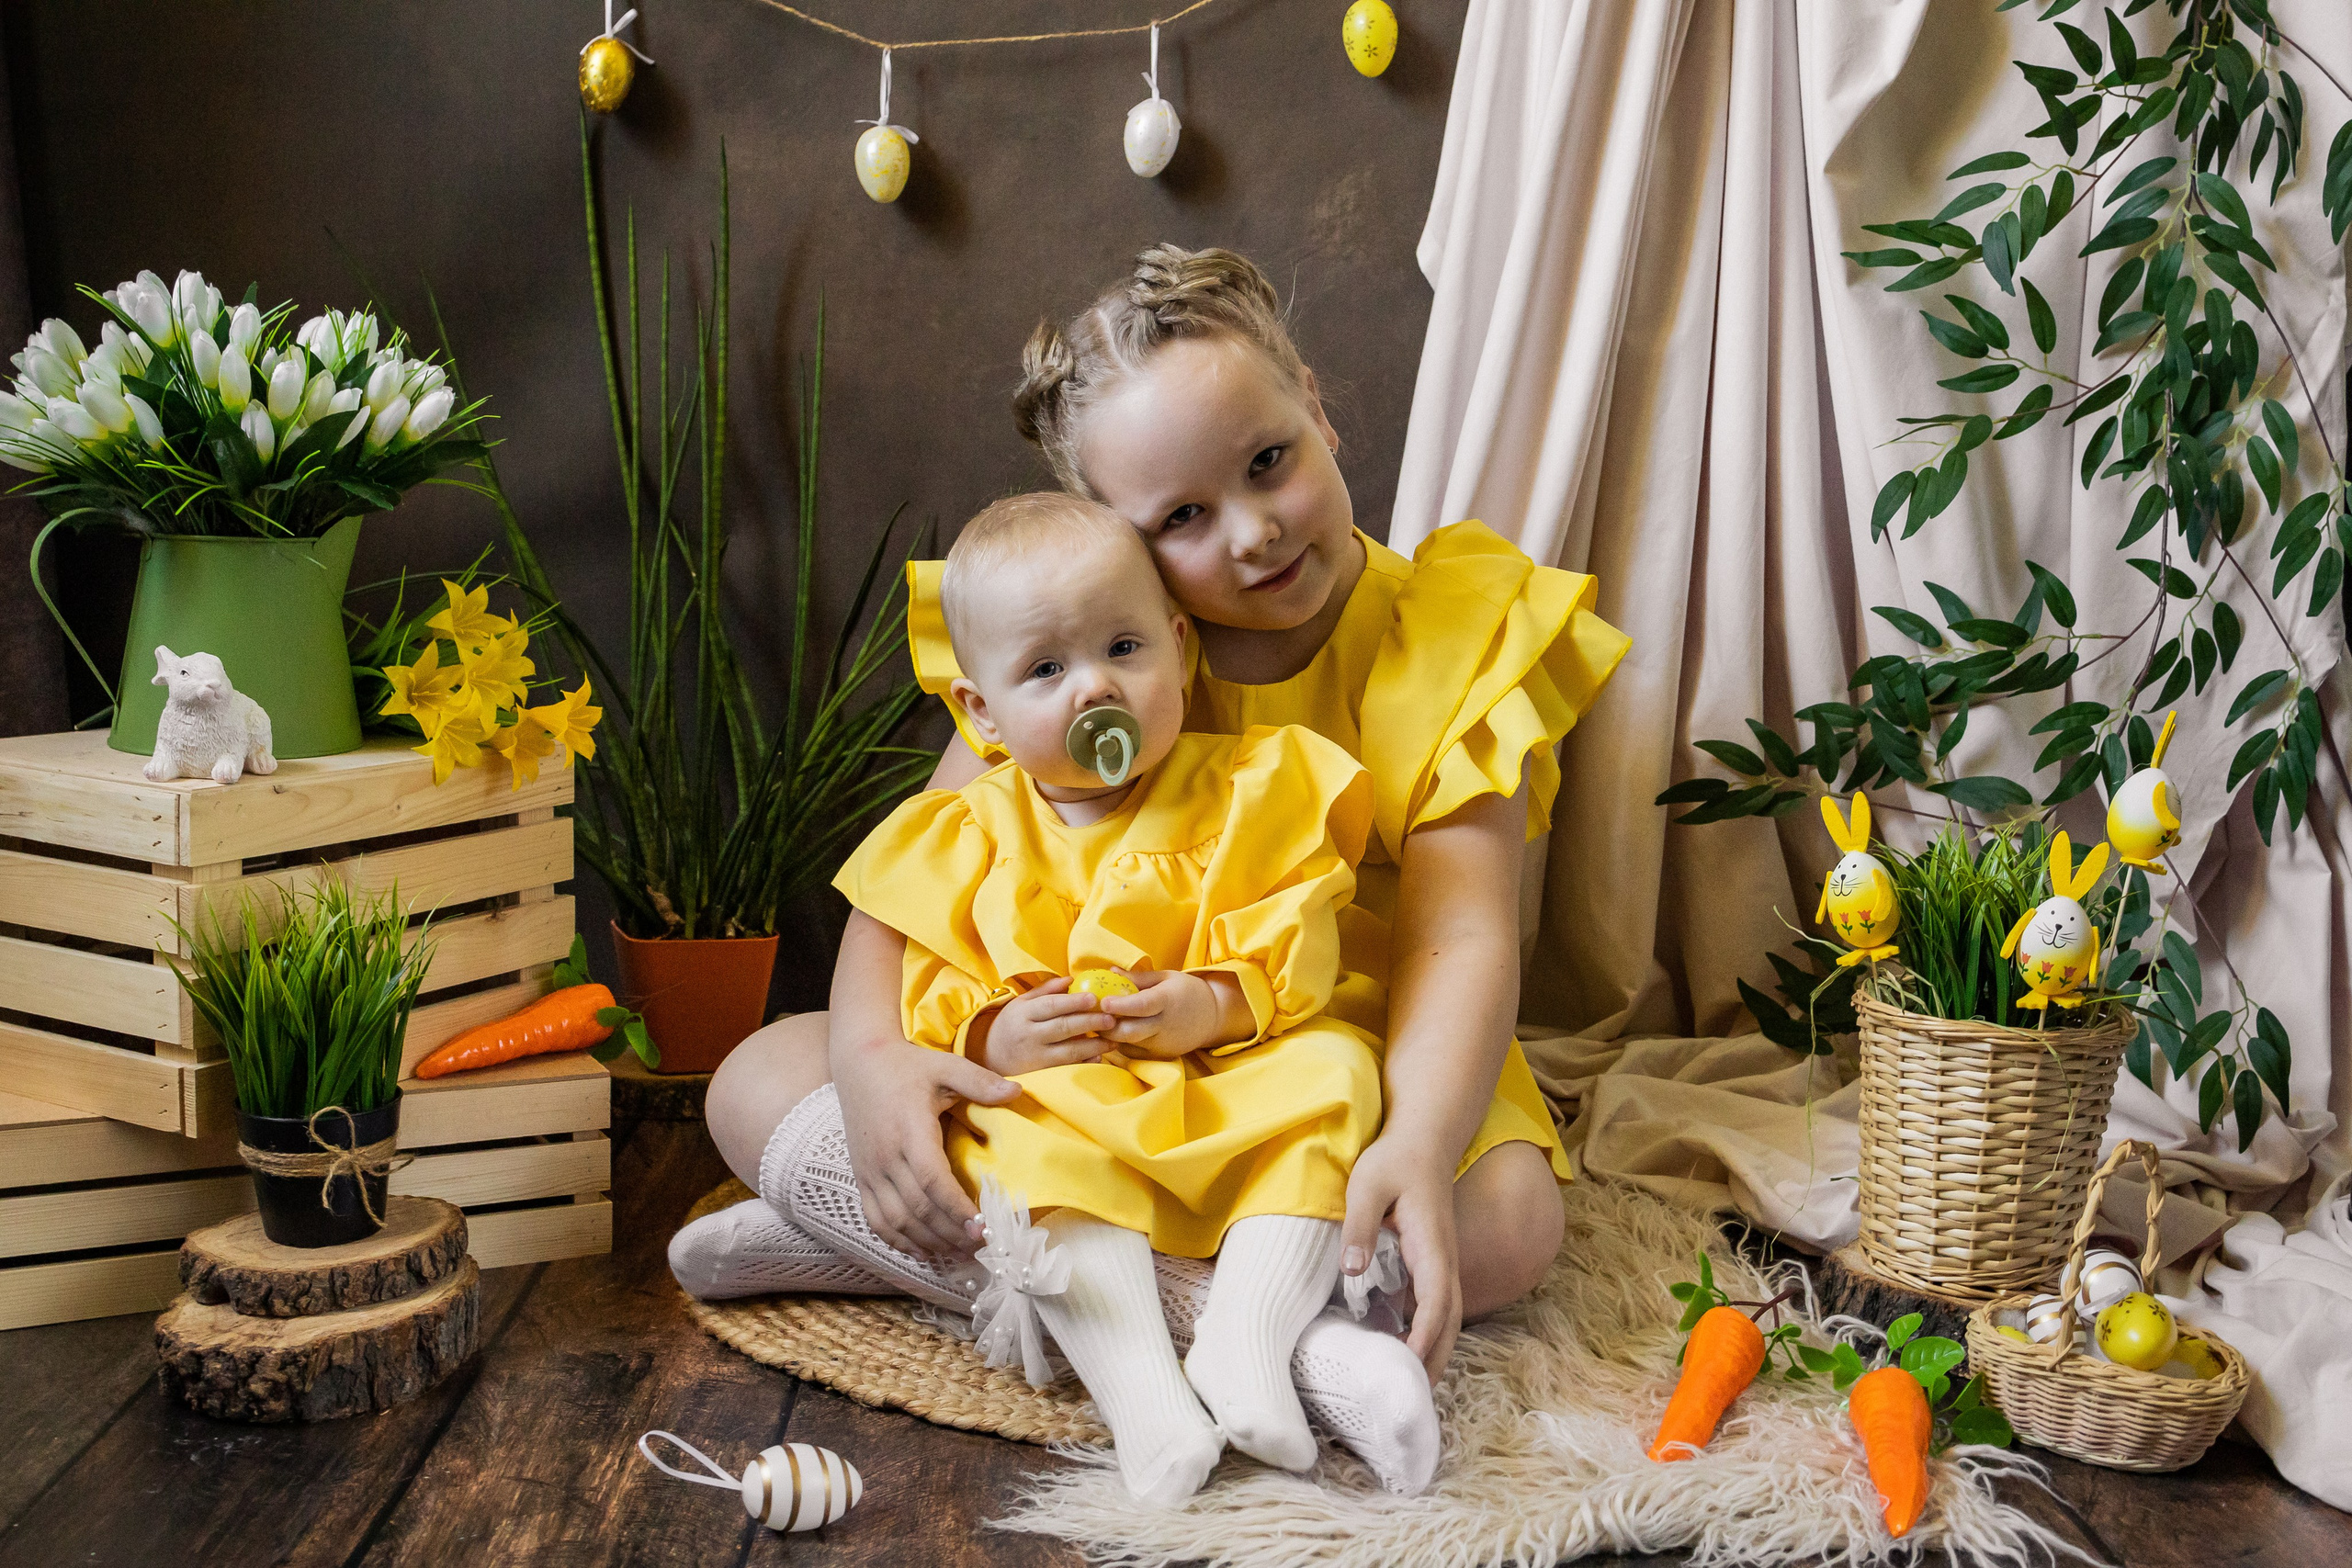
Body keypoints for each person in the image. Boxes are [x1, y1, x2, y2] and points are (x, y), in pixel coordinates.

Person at [673, 243, 1628, 1489]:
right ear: (1112, 538)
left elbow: (1462, 939)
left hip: (1340, 1060)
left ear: (1317, 406)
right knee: (757, 1078)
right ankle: (1268, 1341)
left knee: (1508, 1227)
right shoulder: (1085, 645)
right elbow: (915, 871)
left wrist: (1416, 1143)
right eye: (1180, 517)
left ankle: (883, 1246)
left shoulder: (1450, 631)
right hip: (1096, 1064)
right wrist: (870, 1066)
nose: (1252, 530)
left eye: (1269, 460)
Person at [815, 491, 1412, 1504]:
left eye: (1124, 647)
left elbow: (1296, 938)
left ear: (1180, 651)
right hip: (1071, 1097)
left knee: (1338, 1071)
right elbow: (929, 987)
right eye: (1046, 670)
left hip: (1227, 1075)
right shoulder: (962, 833)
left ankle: (1246, 1345)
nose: (1096, 687)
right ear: (980, 712)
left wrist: (1214, 1002)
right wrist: (995, 1034)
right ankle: (1145, 1399)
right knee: (1009, 1143)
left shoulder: (1253, 790)